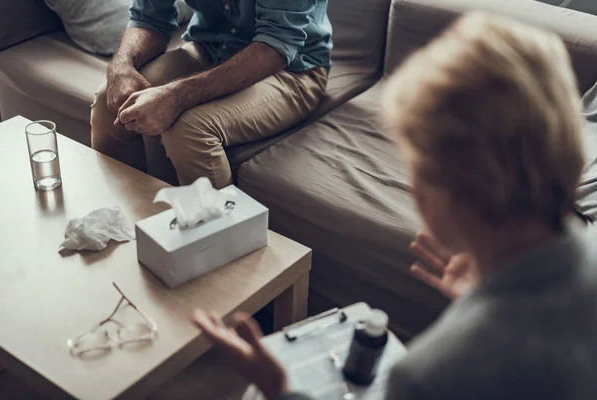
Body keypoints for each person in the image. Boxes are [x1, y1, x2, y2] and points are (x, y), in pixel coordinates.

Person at [193, 12, 597, 400]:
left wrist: (281, 389)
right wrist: (482, 299)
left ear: (448, 190)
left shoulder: (430, 375)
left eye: (414, 164)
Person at [91, 0, 331, 187]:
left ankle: (221, 245)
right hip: (210, 48)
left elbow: (276, 45)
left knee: (189, 130)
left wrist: (175, 96)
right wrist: (121, 65)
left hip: (293, 69)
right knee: (108, 102)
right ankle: (127, 226)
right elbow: (150, 18)